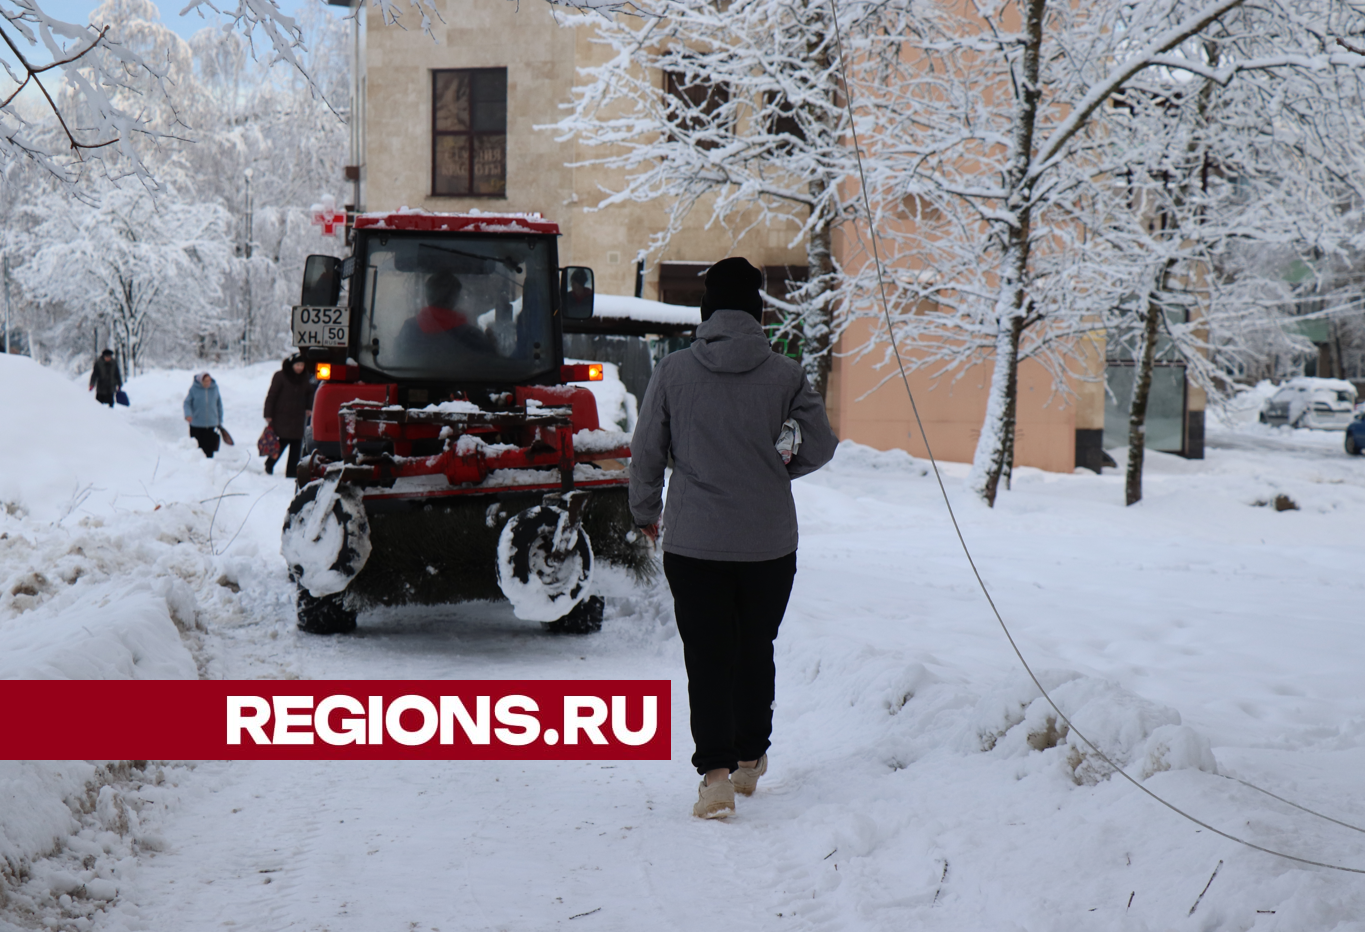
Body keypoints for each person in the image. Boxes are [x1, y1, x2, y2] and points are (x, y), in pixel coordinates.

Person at [628, 256, 837, 820]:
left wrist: (646, 510)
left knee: (708, 654)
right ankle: (750, 757)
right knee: (754, 647)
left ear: (707, 310)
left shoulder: (673, 372)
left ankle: (716, 777)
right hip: (769, 544)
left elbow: (647, 451)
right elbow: (819, 444)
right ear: (757, 310)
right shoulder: (786, 374)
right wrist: (774, 471)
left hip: (694, 544)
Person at [396, 271, 495, 362]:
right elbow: (491, 367)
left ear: (427, 296)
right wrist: (492, 344)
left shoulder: (409, 328)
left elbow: (397, 359)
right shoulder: (471, 336)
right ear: (455, 299)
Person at [263, 355, 314, 477]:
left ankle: (292, 472)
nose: (300, 368)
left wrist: (309, 407)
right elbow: (272, 396)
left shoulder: (305, 377)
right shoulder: (280, 376)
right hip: (282, 415)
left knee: (296, 444)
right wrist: (268, 414)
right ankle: (270, 463)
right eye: (297, 365)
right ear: (292, 365)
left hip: (298, 416)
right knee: (283, 441)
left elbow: (310, 393)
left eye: (302, 365)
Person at [183, 372, 225, 458]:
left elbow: (219, 404)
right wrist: (188, 414)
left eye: (209, 381)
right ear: (201, 381)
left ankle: (209, 466)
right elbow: (187, 403)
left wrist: (219, 420)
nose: (208, 383)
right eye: (205, 381)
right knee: (197, 448)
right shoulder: (194, 389)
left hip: (211, 423)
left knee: (209, 449)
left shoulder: (214, 388)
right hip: (196, 424)